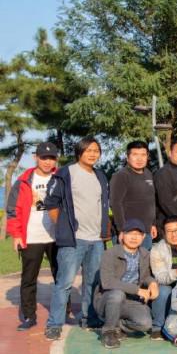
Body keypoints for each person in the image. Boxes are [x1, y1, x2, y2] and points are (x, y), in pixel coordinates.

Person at [44, 136, 111, 340]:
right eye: (88, 150)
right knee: (64, 283)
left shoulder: (100, 176)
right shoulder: (66, 173)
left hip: (96, 240)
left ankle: (89, 318)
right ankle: (54, 323)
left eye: (96, 150)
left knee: (92, 282)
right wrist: (64, 227)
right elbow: (51, 203)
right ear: (79, 152)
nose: (93, 154)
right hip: (74, 239)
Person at [6, 142, 60, 331]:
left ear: (56, 159)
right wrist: (16, 235)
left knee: (61, 276)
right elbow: (12, 210)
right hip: (31, 237)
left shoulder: (60, 178)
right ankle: (29, 316)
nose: (47, 162)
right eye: (44, 158)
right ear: (36, 158)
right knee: (29, 278)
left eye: (51, 158)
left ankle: (64, 310)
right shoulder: (23, 181)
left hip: (57, 237)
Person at [94, 219, 159, 349]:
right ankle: (108, 332)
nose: (134, 237)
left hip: (131, 301)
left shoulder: (145, 254)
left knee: (145, 324)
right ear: (122, 235)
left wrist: (152, 283)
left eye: (138, 234)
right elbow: (107, 282)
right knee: (117, 294)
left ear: (143, 237)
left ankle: (117, 325)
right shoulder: (109, 253)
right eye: (130, 233)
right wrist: (137, 290)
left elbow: (145, 276)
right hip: (108, 300)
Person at [110, 141, 157, 250]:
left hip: (146, 231)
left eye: (143, 155)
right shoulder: (121, 176)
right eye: (135, 154)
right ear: (127, 157)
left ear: (147, 157)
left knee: (144, 260)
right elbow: (115, 204)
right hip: (129, 233)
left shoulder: (148, 174)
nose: (139, 159)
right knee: (126, 261)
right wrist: (122, 229)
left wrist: (153, 224)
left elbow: (151, 201)